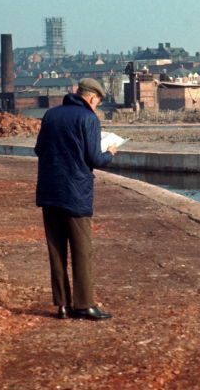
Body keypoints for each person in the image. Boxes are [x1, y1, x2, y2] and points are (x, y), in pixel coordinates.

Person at [34, 77, 118, 320]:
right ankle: (84, 304)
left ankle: (62, 305)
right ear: (92, 98)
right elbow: (94, 159)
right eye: (97, 103)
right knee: (82, 250)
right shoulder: (89, 118)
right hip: (75, 193)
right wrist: (110, 153)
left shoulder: (50, 114)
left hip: (49, 190)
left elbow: (39, 149)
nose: (96, 107)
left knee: (56, 249)